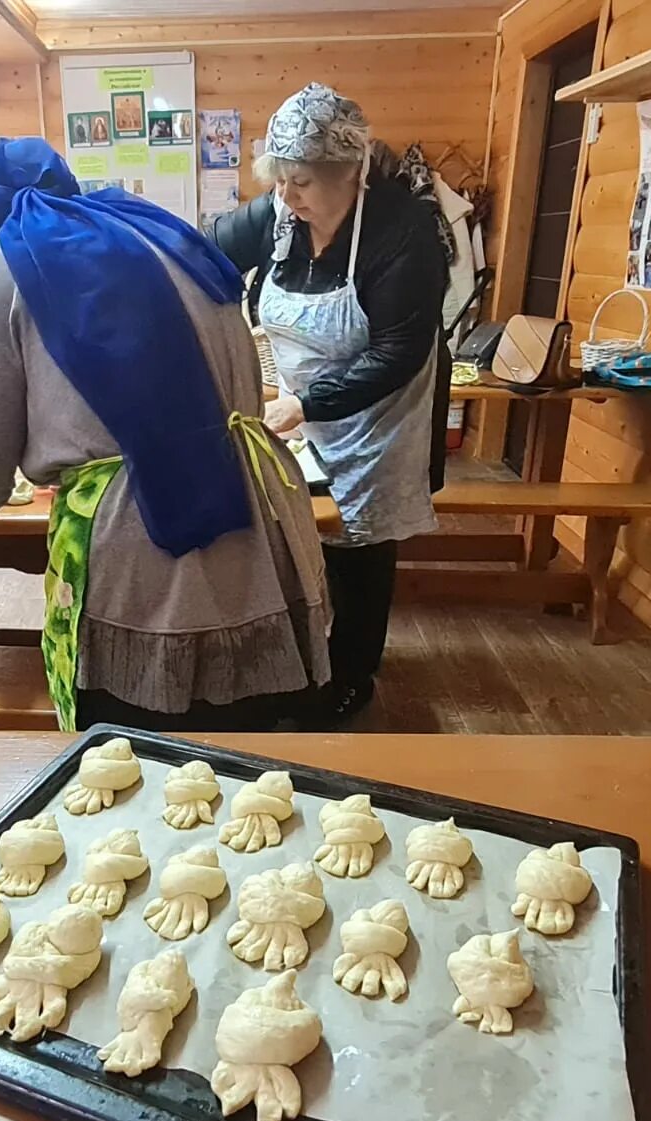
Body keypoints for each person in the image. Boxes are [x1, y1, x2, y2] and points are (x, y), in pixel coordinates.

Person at [0, 139, 330, 732]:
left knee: (135, 767)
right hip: (262, 520)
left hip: (144, 546)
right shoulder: (156, 230)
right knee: (246, 767)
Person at [210, 83, 446, 723]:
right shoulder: (277, 215)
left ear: (350, 173)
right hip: (302, 408)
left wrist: (308, 403)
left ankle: (352, 676)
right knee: (299, 532)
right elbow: (202, 257)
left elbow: (398, 352)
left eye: (303, 183)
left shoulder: (403, 232)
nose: (286, 197)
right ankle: (301, 659)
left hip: (382, 413)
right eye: (279, 180)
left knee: (361, 546)